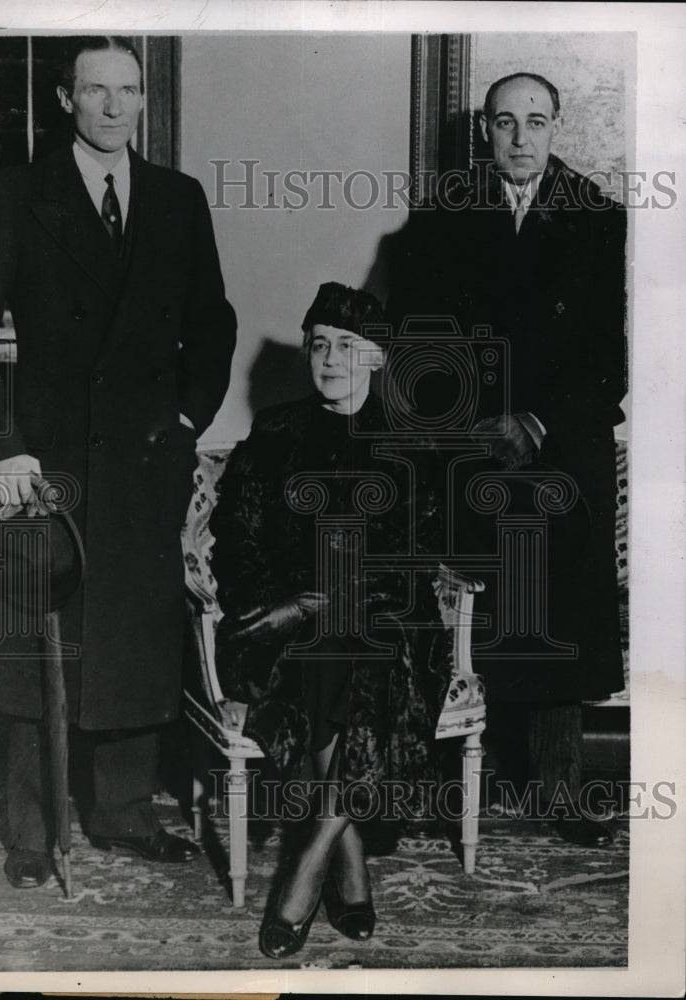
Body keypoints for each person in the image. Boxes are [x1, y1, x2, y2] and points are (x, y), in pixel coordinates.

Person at [0, 35, 237, 887]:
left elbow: (213, 323)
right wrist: (3, 445)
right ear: (66, 100)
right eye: (96, 91)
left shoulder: (177, 197)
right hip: (41, 466)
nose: (115, 106)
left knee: (131, 633)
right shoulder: (15, 194)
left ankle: (124, 815)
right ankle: (29, 828)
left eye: (128, 90)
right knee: (31, 638)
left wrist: (188, 416)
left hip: (141, 458)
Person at [388, 72, 627, 847]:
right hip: (469, 439)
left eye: (534, 121)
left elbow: (605, 359)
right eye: (503, 123)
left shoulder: (595, 218)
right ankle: (459, 774)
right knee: (471, 601)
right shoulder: (440, 219)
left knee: (555, 604)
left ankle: (558, 785)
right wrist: (469, 420)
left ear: (556, 126)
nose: (519, 138)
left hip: (558, 442)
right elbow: (414, 343)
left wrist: (535, 419)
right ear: (482, 132)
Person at [210, 283, 452, 959]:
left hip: (393, 624)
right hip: (281, 628)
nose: (329, 357)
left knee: (357, 646)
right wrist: (282, 606)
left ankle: (308, 862)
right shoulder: (278, 430)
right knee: (328, 652)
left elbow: (413, 555)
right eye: (318, 343)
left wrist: (319, 601)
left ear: (377, 360)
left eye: (347, 345)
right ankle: (348, 863)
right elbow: (238, 538)